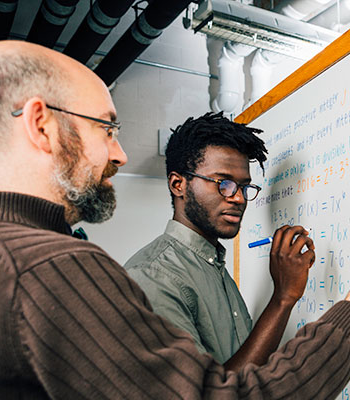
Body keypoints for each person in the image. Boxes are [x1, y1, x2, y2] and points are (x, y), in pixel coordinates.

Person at [0, 40, 350, 400]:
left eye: (243, 187)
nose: (120, 155)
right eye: (106, 128)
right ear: (40, 125)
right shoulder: (51, 266)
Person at [124, 113, 315, 366]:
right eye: (223, 184)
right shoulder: (152, 276)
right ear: (178, 184)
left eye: (244, 186)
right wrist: (283, 297)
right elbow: (206, 394)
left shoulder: (212, 266)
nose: (238, 198)